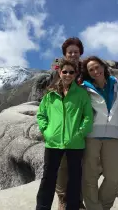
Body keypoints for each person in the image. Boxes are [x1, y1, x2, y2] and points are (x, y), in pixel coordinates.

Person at [36, 58, 94, 210]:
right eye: (65, 72)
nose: (68, 75)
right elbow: (41, 115)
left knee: (74, 180)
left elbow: (88, 117)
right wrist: (46, 132)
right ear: (59, 73)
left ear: (75, 74)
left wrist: (80, 133)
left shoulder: (81, 94)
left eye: (71, 72)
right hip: (53, 143)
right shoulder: (50, 95)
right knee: (48, 178)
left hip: (75, 143)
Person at [49, 37, 88, 210]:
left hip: (82, 125)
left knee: (80, 165)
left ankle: (77, 199)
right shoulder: (57, 72)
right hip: (62, 127)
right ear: (65, 54)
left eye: (76, 52)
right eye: (70, 52)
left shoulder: (85, 72)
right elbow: (49, 97)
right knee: (63, 166)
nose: (73, 54)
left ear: (80, 54)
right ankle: (63, 199)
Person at [80, 56, 118, 210]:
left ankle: (104, 206)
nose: (95, 71)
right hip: (91, 136)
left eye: (97, 67)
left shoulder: (117, 85)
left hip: (112, 136)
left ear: (103, 67)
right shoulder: (84, 88)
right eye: (91, 70)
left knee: (114, 176)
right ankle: (94, 207)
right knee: (90, 177)